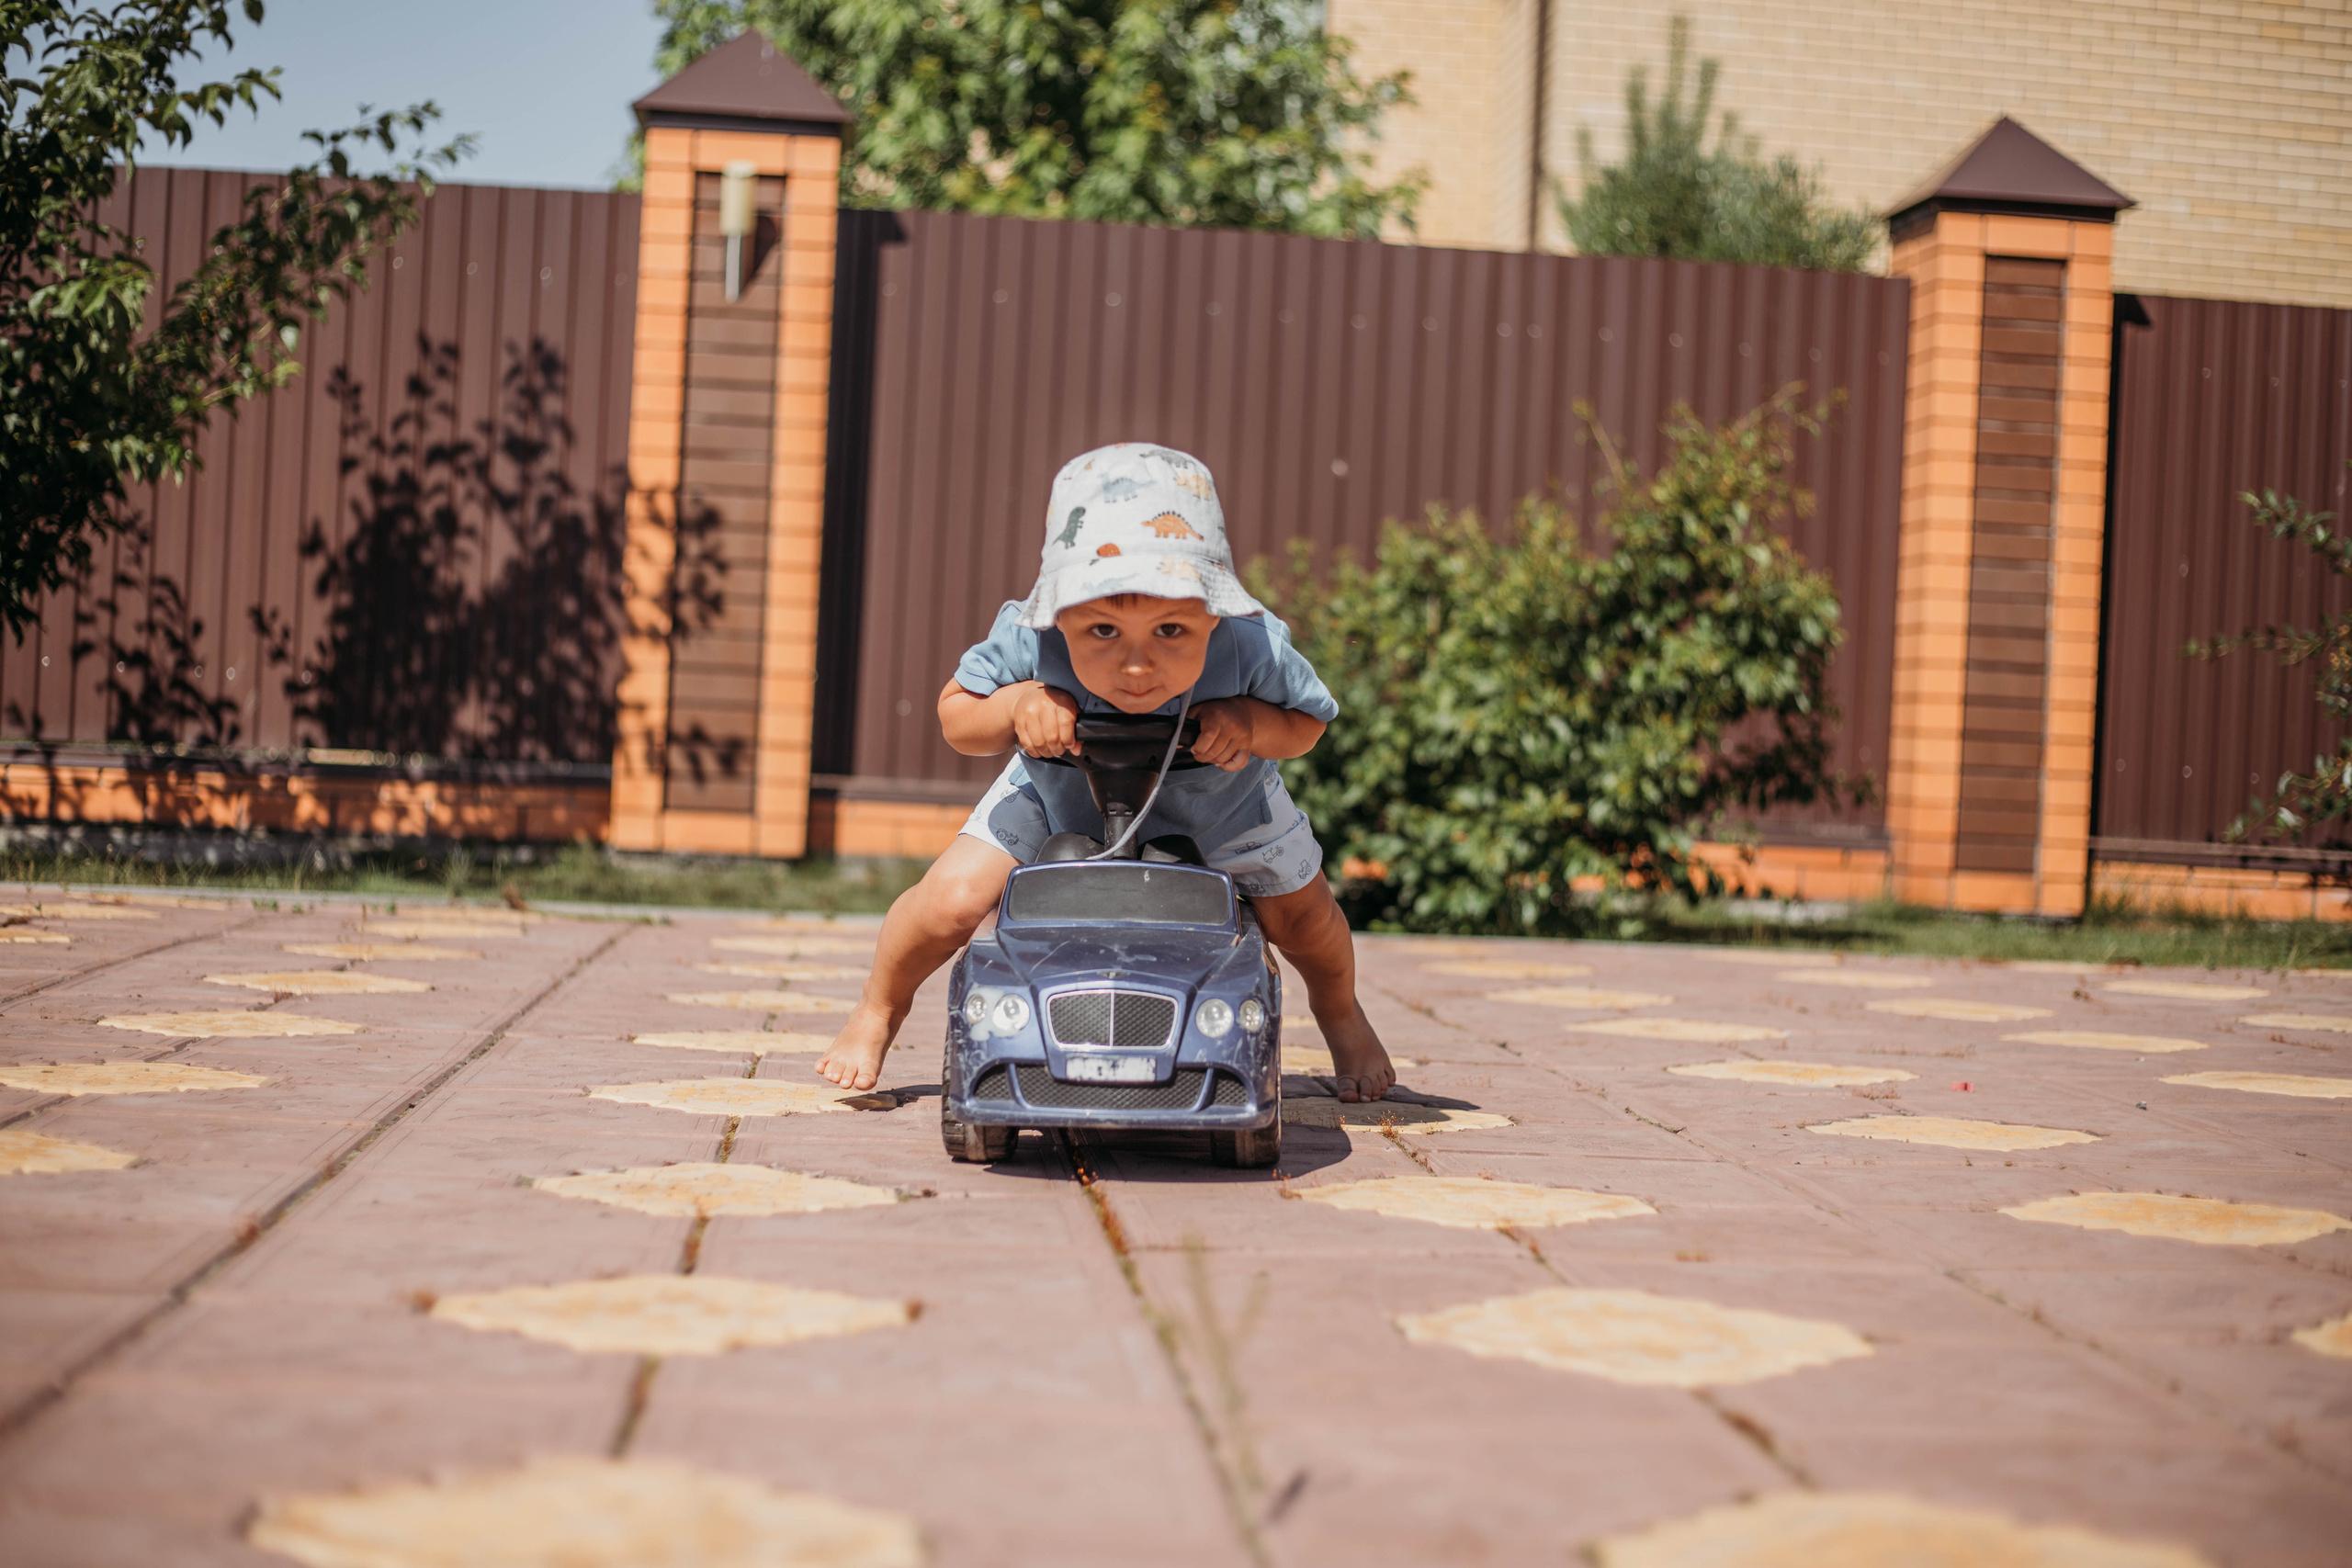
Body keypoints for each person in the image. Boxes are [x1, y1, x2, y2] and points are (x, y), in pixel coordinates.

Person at [817, 442, 1396, 1102]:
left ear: (1214, 612)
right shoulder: (1030, 637)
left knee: (1305, 918)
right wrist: (1016, 704)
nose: (1137, 665)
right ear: (1060, 612)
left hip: (1224, 806)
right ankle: (878, 1007)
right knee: (949, 902)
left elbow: (1310, 722)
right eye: (1102, 633)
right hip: (1056, 796)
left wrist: (1252, 723)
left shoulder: (1252, 640)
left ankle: (1340, 1011)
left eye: (1173, 631)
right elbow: (957, 715)